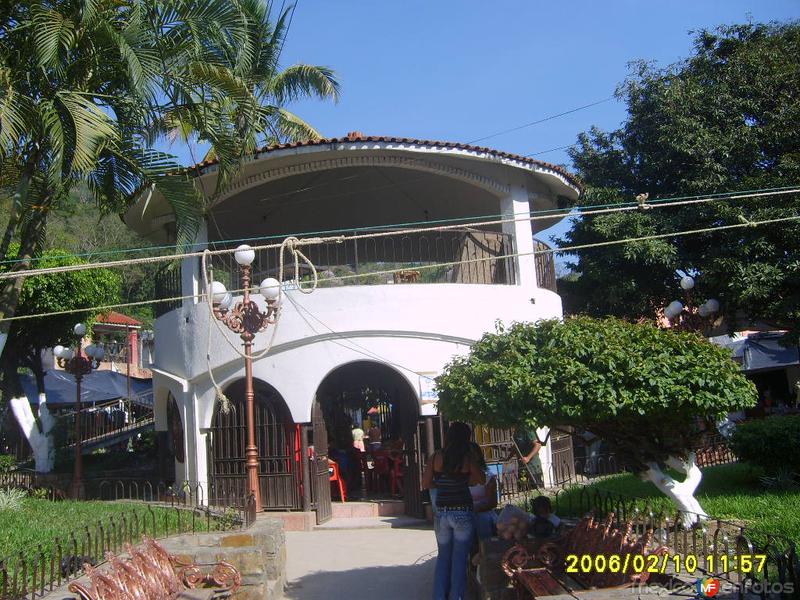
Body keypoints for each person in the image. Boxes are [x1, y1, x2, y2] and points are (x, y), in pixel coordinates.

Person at [422, 422, 485, 600]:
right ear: (466, 439)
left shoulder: (436, 457)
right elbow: (481, 479)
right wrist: (465, 480)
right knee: (459, 559)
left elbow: (425, 483)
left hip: (442, 513)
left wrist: (440, 483)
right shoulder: (467, 458)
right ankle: (456, 596)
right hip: (463, 512)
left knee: (443, 558)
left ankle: (439, 597)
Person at [469, 443, 498, 541]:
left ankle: (485, 548)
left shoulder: (488, 477)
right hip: (466, 513)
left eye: (473, 454)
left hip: (484, 513)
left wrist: (476, 509)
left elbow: (493, 503)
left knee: (482, 519)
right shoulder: (459, 477)